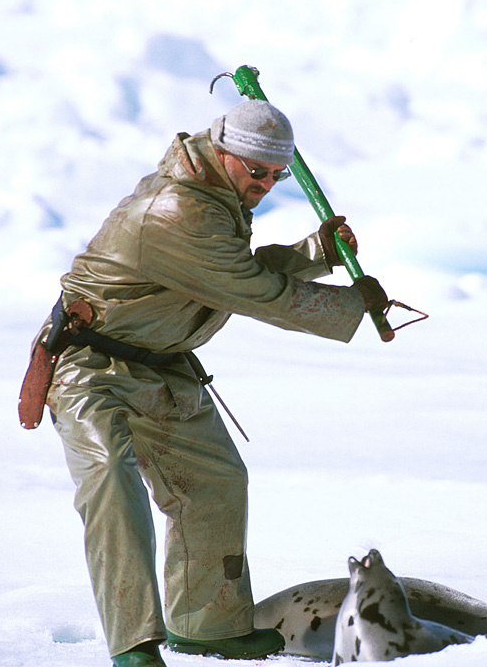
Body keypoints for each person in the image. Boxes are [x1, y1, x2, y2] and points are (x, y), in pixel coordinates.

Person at [29, 100, 388, 667]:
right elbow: (249, 289)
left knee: (216, 481)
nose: (268, 184)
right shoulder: (174, 209)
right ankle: (134, 645)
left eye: (279, 174)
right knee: (112, 485)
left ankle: (207, 626)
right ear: (224, 154)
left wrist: (315, 252)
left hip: (163, 362)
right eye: (258, 172)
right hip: (90, 365)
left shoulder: (216, 193)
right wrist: (350, 304)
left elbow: (228, 267)